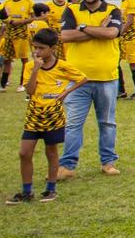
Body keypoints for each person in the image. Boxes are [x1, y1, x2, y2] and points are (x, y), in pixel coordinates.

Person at [6, 29, 87, 204]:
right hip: (34, 115)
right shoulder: (30, 66)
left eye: (41, 48)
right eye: (35, 48)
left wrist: (66, 92)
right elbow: (30, 90)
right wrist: (35, 69)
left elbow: (82, 78)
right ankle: (27, 191)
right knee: (24, 152)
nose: (37, 52)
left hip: (54, 115)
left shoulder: (62, 66)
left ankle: (51, 189)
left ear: (52, 48)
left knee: (51, 152)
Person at [56, 0, 124, 179]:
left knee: (107, 123)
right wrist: (97, 30)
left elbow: (112, 34)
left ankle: (108, 162)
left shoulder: (113, 10)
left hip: (106, 77)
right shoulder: (72, 9)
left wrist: (83, 28)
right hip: (77, 80)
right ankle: (67, 166)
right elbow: (65, 36)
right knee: (74, 123)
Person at [0, 0, 35, 92]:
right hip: (9, 33)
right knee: (7, 59)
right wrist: (4, 28)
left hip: (22, 33)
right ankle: (3, 84)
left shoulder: (28, 1)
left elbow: (33, 17)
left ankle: (22, 83)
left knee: (24, 59)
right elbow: (3, 18)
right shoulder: (7, 2)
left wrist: (19, 22)